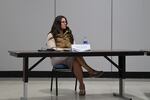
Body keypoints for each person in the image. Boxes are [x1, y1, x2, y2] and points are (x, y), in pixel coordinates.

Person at [47, 15, 103, 96]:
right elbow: (52, 48)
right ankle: (90, 71)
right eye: (63, 22)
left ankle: (82, 85)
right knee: (75, 56)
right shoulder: (51, 34)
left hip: (70, 57)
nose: (65, 23)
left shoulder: (69, 33)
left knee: (76, 61)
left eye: (66, 22)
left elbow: (74, 46)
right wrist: (65, 50)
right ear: (57, 23)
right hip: (57, 58)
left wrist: (75, 49)